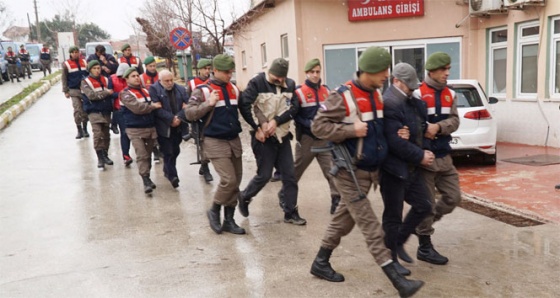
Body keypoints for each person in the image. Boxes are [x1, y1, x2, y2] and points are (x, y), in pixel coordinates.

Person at [308, 47, 424, 298]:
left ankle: (320, 262)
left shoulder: (377, 95)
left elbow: (379, 131)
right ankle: (397, 280)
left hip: (371, 171)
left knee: (344, 220)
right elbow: (317, 126)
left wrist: (399, 133)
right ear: (370, 70)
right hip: (349, 171)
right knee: (370, 224)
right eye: (383, 70)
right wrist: (350, 130)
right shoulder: (342, 96)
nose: (386, 75)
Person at [379, 63, 434, 276]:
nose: (412, 89)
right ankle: (390, 260)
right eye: (408, 86)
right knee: (392, 217)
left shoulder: (414, 102)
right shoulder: (390, 103)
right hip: (393, 170)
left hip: (411, 168)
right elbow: (394, 142)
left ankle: (399, 241)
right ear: (396, 81)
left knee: (424, 205)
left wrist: (420, 147)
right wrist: (420, 155)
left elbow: (421, 131)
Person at [238, 57, 306, 225]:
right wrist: (257, 128)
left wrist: (276, 121)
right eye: (277, 77)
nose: (280, 80)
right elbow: (245, 105)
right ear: (270, 72)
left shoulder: (289, 85)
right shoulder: (257, 83)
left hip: (282, 136)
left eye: (283, 77)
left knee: (290, 176)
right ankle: (245, 196)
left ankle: (290, 212)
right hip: (263, 139)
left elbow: (294, 108)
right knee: (264, 175)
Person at [185, 54, 245, 235]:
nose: (229, 75)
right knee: (229, 180)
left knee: (236, 181)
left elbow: (246, 108)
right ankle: (214, 209)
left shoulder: (234, 88)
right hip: (214, 140)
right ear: (215, 70)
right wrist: (209, 104)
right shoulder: (202, 91)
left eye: (231, 71)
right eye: (226, 72)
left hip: (234, 140)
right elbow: (189, 113)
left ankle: (229, 220)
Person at [412, 52, 461, 265]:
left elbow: (455, 121)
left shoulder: (451, 94)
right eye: (443, 69)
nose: (447, 73)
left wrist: (439, 127)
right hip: (425, 158)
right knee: (426, 203)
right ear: (431, 71)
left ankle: (424, 223)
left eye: (448, 69)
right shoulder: (417, 94)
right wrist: (424, 129)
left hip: (444, 156)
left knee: (454, 197)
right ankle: (424, 246)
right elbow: (409, 124)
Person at [288, 58, 340, 214]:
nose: (315, 75)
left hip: (324, 139)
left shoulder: (326, 90)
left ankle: (336, 200)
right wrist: (309, 123)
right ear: (306, 73)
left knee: (331, 170)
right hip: (307, 139)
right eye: (312, 72)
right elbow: (294, 115)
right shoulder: (299, 92)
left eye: (318, 72)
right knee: (296, 171)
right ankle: (285, 195)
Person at [120, 67, 162, 194]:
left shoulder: (146, 90)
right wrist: (152, 106)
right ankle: (145, 180)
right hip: (134, 129)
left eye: (137, 75)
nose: (137, 78)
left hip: (149, 127)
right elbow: (137, 108)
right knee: (142, 154)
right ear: (126, 79)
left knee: (148, 155)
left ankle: (147, 176)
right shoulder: (125, 93)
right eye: (133, 76)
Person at [150, 70, 189, 188]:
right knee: (168, 151)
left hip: (178, 126)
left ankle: (167, 170)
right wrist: (171, 119)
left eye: (171, 80)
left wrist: (179, 117)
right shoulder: (154, 89)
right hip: (163, 126)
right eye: (167, 81)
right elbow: (157, 109)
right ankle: (173, 176)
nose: (170, 83)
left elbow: (188, 105)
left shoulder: (180, 89)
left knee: (175, 151)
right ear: (160, 80)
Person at [81, 60, 114, 169]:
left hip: (106, 110)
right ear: (90, 69)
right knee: (98, 134)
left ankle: (105, 155)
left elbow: (111, 93)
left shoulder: (106, 79)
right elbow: (92, 96)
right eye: (94, 68)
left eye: (98, 68)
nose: (97, 70)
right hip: (93, 111)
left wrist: (106, 94)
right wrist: (106, 93)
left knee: (106, 135)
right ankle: (100, 157)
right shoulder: (85, 82)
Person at [186, 58, 213, 182]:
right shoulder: (192, 83)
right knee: (201, 143)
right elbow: (188, 100)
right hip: (197, 115)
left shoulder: (212, 81)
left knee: (207, 144)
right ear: (200, 70)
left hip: (210, 115)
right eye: (205, 69)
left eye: (209, 68)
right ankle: (205, 167)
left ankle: (204, 165)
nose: (207, 71)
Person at [62, 46, 89, 139]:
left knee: (85, 110)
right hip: (74, 90)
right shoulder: (66, 64)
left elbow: (89, 75)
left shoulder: (85, 62)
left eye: (76, 52)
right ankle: (79, 129)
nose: (75, 54)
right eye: (73, 52)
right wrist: (65, 91)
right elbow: (64, 78)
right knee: (77, 110)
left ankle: (85, 129)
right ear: (70, 54)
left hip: (85, 90)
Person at [110, 63, 134, 166]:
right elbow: (110, 93)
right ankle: (126, 155)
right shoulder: (112, 79)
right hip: (119, 109)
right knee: (124, 133)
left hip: (133, 109)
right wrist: (121, 94)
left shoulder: (133, 78)